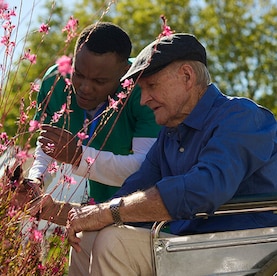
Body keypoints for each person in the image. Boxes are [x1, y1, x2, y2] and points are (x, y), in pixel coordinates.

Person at [32, 33, 277, 275]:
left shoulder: (241, 117)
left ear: (187, 77)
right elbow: (127, 197)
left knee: (114, 242)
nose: (143, 100)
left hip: (244, 250)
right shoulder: (169, 136)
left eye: (151, 86)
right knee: (88, 237)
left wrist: (107, 212)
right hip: (185, 245)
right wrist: (57, 211)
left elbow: (202, 189)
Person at [25, 22, 161, 206]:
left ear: (125, 72)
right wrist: (35, 181)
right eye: (78, 74)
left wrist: (79, 157)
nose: (85, 87)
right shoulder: (55, 81)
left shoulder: (145, 89)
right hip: (81, 206)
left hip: (136, 209)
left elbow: (146, 168)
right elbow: (50, 148)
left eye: (99, 80)